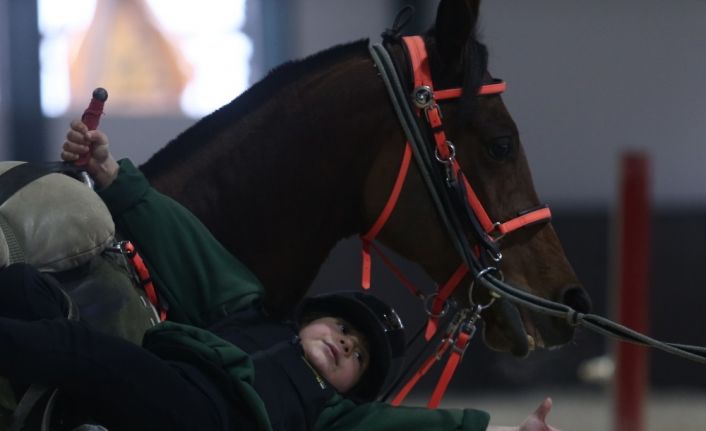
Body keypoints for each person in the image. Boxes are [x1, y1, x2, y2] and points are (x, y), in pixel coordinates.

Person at [0, 119, 564, 430]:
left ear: (351, 393)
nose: (346, 344)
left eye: (359, 356)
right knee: (26, 289)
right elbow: (187, 248)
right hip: (155, 388)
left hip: (210, 417)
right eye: (342, 330)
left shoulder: (330, 416)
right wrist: (111, 176)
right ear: (306, 323)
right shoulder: (248, 315)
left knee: (81, 347)